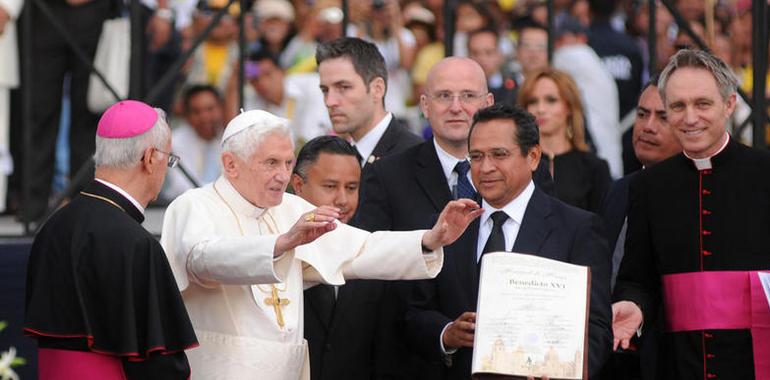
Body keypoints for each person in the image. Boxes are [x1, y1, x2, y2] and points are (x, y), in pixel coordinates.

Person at [160, 109, 482, 380]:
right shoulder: (194, 205)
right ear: (231, 164)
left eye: (288, 163)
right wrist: (282, 244)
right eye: (271, 163)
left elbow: (362, 249)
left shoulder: (291, 209)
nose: (283, 175)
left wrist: (430, 238)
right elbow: (201, 260)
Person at [405, 103, 612, 379]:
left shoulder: (578, 229)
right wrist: (447, 334)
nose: (485, 167)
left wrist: (562, 371)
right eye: (476, 156)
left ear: (533, 157)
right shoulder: (445, 226)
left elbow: (596, 328)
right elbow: (414, 313)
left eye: (499, 155)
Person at [612, 49, 770, 380]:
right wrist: (633, 305)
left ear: (729, 105)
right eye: (678, 106)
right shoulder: (648, 185)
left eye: (702, 104)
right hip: (677, 363)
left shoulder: (764, 173)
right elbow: (636, 277)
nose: (689, 118)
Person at [24, 100, 198, 379]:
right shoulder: (137, 244)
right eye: (170, 158)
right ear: (150, 157)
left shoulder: (52, 226)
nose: (167, 166)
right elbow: (158, 362)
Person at [597, 75, 681, 380]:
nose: (647, 126)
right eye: (642, 114)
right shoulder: (618, 190)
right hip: (609, 355)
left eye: (663, 117)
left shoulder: (699, 195)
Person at [291, 136, 396, 380]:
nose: (342, 199)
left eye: (351, 187)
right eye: (330, 186)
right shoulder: (274, 245)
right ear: (298, 184)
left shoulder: (370, 247)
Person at [316, 37, 422, 169]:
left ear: (377, 89)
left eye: (343, 87)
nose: (329, 101)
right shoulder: (335, 158)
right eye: (325, 90)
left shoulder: (415, 159)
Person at [518, 68, 611, 213]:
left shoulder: (594, 168)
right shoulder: (517, 164)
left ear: (568, 107)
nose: (540, 109)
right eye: (533, 101)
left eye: (551, 100)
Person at [552, 16, 622, 178]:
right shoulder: (594, 62)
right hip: (607, 159)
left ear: (581, 38)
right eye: (556, 39)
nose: (557, 44)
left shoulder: (575, 54)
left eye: (562, 38)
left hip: (594, 158)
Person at [162, 84, 225, 201]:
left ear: (221, 108)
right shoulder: (175, 142)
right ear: (186, 115)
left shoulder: (229, 138)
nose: (204, 117)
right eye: (196, 111)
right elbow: (180, 186)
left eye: (210, 109)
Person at [468, 27, 517, 107]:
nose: (482, 59)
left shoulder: (514, 87)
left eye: (488, 52)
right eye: (475, 53)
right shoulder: (460, 89)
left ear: (500, 55)